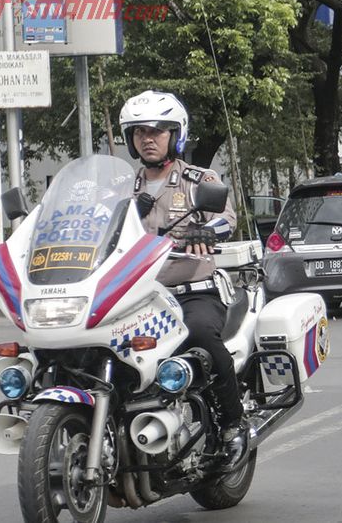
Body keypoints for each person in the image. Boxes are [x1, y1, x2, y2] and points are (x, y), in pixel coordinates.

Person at [119, 90, 247, 472]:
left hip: (192, 293)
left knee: (202, 338)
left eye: (158, 131)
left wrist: (208, 232)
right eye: (140, 131)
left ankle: (231, 426)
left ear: (176, 136)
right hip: (137, 295)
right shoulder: (123, 189)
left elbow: (228, 217)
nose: (148, 138)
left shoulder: (198, 181)